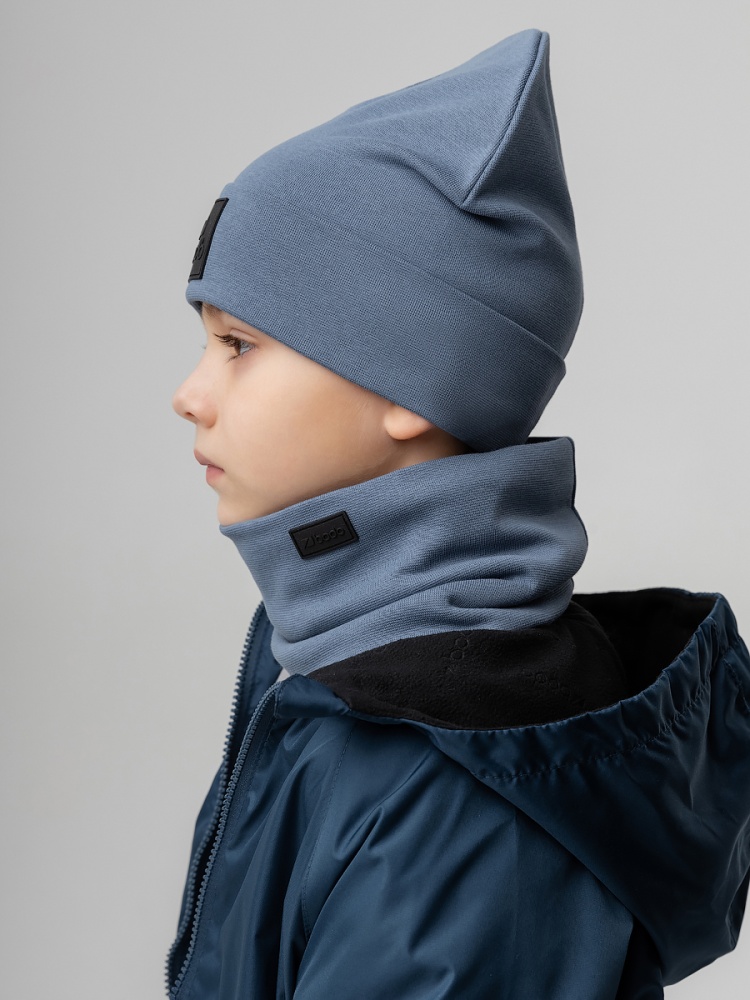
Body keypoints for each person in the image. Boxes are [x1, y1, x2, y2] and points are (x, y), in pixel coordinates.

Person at [165, 27, 750, 999]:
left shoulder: (457, 778)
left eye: (239, 343)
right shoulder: (346, 664)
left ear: (413, 381)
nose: (189, 394)